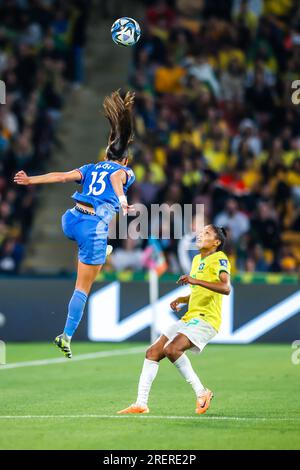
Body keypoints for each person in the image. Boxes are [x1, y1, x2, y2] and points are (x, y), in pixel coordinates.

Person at [14, 90, 136, 358]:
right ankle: (66, 336)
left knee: (99, 245)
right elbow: (116, 180)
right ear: (124, 160)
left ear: (106, 154)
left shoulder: (92, 167)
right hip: (92, 228)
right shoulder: (125, 171)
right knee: (83, 287)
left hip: (70, 220)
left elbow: (60, 177)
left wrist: (30, 180)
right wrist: (123, 200)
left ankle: (102, 250)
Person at [118, 224, 231, 415]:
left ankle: (202, 392)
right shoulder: (196, 259)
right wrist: (185, 298)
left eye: (207, 233)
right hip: (191, 317)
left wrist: (194, 281)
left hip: (206, 319)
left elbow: (225, 288)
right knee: (153, 352)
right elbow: (202, 290)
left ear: (216, 242)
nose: (200, 235)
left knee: (172, 349)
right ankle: (141, 403)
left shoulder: (220, 258)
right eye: (201, 232)